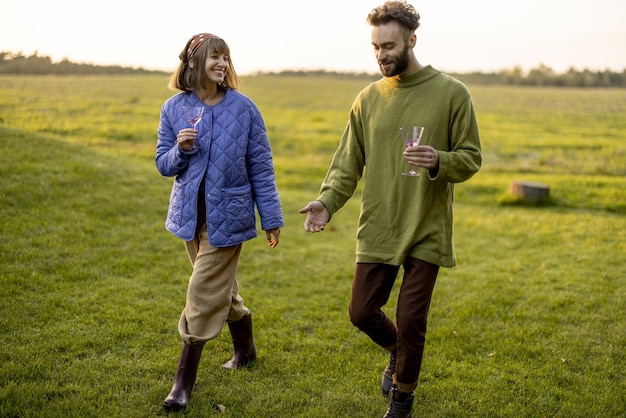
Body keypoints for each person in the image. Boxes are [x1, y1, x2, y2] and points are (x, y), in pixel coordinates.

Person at [299, 2, 482, 417]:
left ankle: (402, 399)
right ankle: (398, 353)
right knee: (362, 312)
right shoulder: (367, 99)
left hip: (426, 227)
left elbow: (471, 157)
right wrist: (327, 203)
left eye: (389, 46)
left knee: (412, 319)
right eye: (375, 47)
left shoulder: (452, 93)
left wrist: (440, 160)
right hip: (379, 224)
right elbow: (348, 162)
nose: (381, 54)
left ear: (412, 41)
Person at [156, 33, 283, 412]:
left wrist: (271, 218)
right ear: (193, 63)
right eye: (215, 57)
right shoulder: (172, 108)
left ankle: (182, 382)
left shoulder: (244, 109)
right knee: (220, 291)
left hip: (229, 216)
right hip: (189, 218)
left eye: (226, 58)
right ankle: (245, 348)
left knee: (201, 293)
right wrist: (180, 150)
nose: (223, 64)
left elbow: (261, 166)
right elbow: (163, 163)